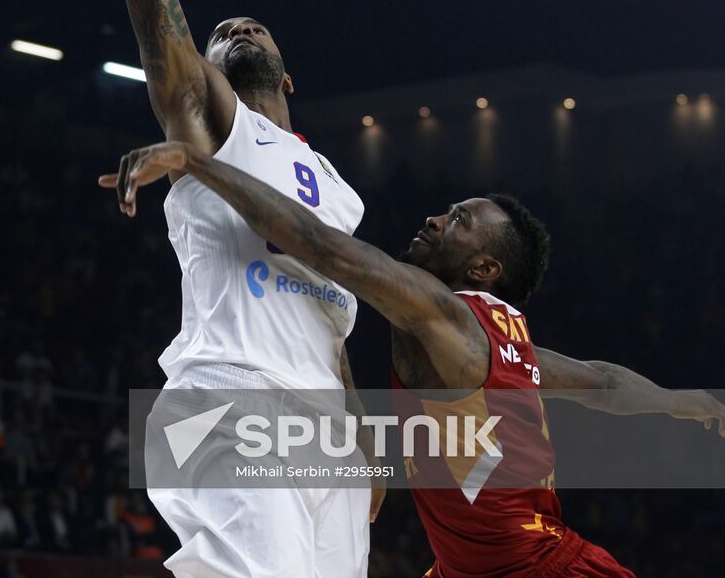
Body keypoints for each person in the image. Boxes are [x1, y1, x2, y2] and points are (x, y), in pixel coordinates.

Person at [50, 0, 373, 578]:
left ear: (290, 77)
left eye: (251, 24)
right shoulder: (204, 118)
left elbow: (328, 326)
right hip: (225, 397)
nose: (234, 24)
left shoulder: (337, 191)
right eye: (221, 29)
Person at [101, 141, 725, 578]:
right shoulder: (506, 337)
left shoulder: (445, 316)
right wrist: (693, 403)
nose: (435, 218)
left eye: (458, 221)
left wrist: (195, 161)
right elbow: (607, 382)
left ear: (483, 268)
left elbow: (321, 246)